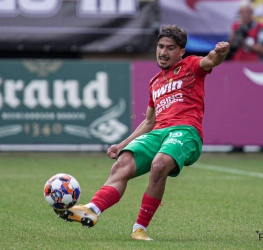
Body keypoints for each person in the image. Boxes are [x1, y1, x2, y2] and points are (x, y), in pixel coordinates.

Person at [55, 25, 230, 240]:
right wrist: (122, 144)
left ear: (181, 51)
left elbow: (210, 60)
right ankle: (92, 208)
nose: (163, 52)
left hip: (186, 131)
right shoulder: (155, 82)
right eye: (161, 46)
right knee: (122, 163)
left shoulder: (191, 65)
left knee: (159, 165)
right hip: (158, 132)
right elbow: (149, 121)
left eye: (170, 48)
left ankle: (140, 228)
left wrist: (220, 52)